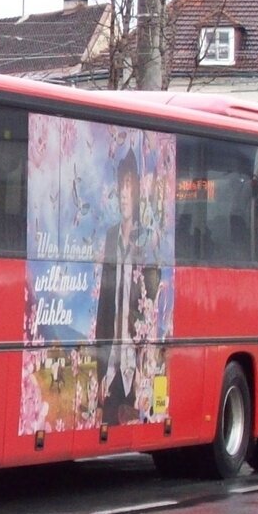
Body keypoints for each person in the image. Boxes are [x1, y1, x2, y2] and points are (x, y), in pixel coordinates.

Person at [96, 149, 141, 425]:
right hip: (113, 366)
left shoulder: (145, 239)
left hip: (136, 370)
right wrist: (101, 370)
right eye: (120, 186)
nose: (123, 193)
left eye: (128, 186)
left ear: (136, 191)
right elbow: (104, 305)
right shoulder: (111, 237)